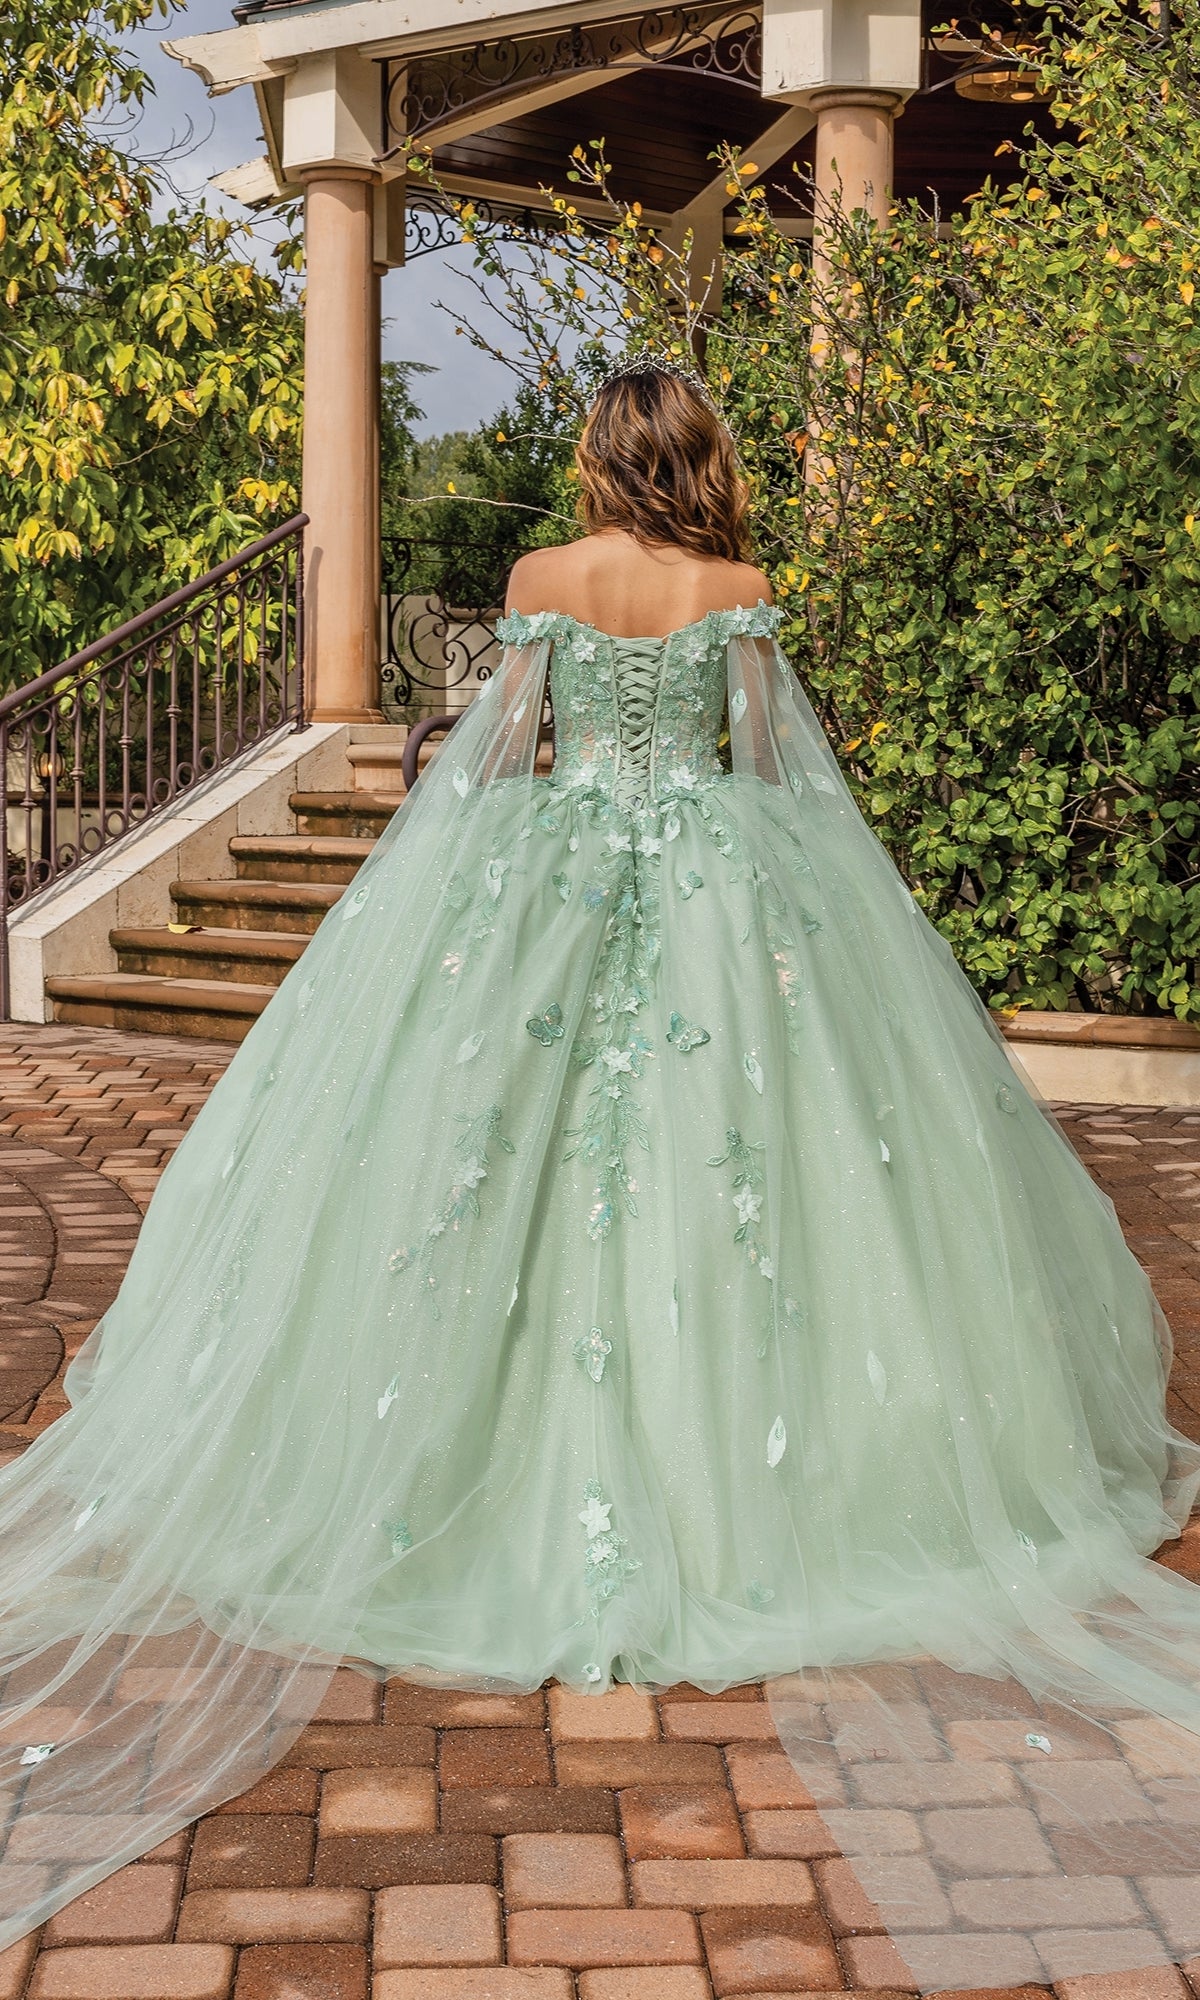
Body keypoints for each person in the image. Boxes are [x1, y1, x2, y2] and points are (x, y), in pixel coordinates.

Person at [2, 354, 1200, 1987]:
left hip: (550, 887)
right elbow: (773, 770)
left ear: (598, 457)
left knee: (486, 1160)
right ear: (697, 459)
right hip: (719, 887)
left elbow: (500, 759)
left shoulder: (540, 581)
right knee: (750, 1167)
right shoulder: (738, 591)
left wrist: (454, 878)